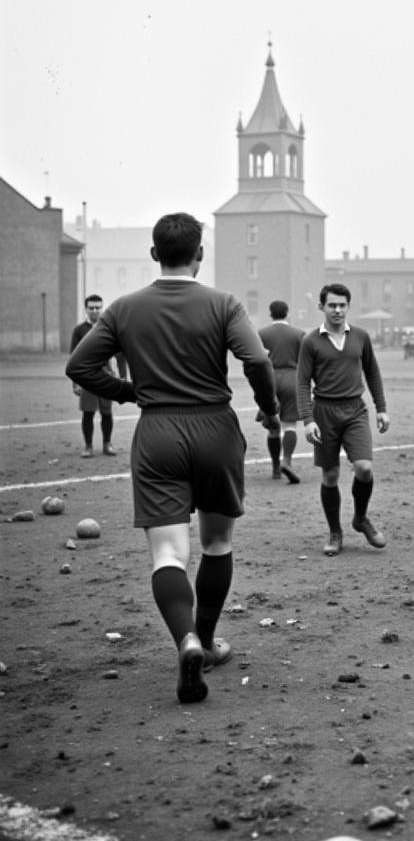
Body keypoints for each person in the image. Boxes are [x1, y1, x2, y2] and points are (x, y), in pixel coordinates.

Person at [65, 213, 280, 705]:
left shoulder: (123, 308)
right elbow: (258, 361)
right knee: (218, 542)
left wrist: (126, 392)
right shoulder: (224, 303)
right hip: (215, 429)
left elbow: (78, 365)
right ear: (200, 254)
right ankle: (205, 641)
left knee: (168, 554)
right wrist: (269, 410)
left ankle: (184, 639)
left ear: (153, 254)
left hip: (159, 430)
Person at [297, 284, 390, 556]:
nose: (337, 310)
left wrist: (381, 408)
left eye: (342, 305)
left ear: (348, 307)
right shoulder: (310, 341)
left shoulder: (360, 336)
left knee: (364, 469)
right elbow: (302, 382)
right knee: (331, 475)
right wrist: (307, 419)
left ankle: (360, 518)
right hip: (324, 412)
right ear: (322, 307)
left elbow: (372, 372)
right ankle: (335, 532)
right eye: (332, 305)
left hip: (355, 411)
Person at [68, 295, 125, 456]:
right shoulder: (79, 331)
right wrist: (75, 383)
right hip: (86, 379)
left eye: (97, 308)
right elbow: (73, 359)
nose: (94, 311)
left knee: (107, 412)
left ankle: (108, 444)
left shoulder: (109, 328)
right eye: (91, 308)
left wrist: (122, 378)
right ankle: (88, 446)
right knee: (88, 412)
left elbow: (120, 355)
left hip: (106, 377)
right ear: (86, 309)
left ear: (102, 308)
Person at [258, 300, 305, 484]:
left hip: (269, 379)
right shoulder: (299, 334)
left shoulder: (261, 334)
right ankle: (287, 461)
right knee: (290, 425)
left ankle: (276, 467)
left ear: (271, 313)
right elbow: (306, 362)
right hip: (292, 378)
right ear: (287, 313)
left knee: (273, 428)